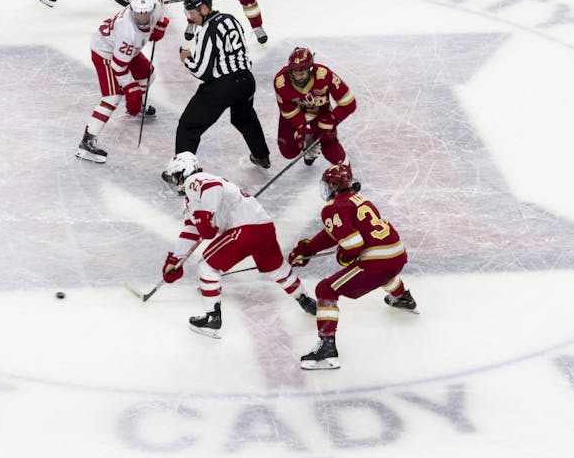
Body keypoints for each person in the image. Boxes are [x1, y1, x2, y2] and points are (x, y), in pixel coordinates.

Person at [161, 152, 317, 338]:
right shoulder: (191, 199)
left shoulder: (195, 179)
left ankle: (212, 318)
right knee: (277, 269)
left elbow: (213, 188)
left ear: (184, 172)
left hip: (244, 229)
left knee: (207, 267)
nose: (174, 183)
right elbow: (191, 230)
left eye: (174, 177)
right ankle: (305, 299)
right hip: (264, 227)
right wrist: (176, 258)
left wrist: (207, 215)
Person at [288, 163, 416, 370]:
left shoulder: (333, 207)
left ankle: (327, 347)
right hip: (397, 255)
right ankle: (404, 298)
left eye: (328, 184)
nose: (326, 189)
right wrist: (309, 248)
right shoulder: (358, 199)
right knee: (382, 274)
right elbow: (336, 232)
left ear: (336, 185)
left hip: (377, 262)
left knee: (325, 289)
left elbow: (352, 245)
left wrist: (344, 256)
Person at [167, 0, 272, 172]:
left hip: (223, 87)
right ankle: (262, 156)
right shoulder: (230, 18)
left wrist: (186, 59)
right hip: (247, 81)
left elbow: (202, 72)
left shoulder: (208, 29)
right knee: (244, 118)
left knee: (188, 127)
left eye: (192, 13)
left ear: (205, 10)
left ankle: (182, 173)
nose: (191, 18)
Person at [76, 0, 168, 163]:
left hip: (125, 52)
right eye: (138, 15)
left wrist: (160, 23)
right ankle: (87, 141)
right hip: (106, 53)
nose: (142, 18)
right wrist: (130, 89)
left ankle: (137, 105)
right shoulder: (127, 33)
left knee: (149, 75)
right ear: (132, 10)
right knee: (113, 97)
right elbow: (118, 66)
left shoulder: (154, 2)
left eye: (146, 14)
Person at [274, 46, 357, 168]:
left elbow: (349, 102)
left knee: (329, 141)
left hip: (320, 113)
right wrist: (302, 129)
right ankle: (310, 142)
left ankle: (345, 176)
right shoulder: (281, 82)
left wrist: (332, 120)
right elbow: (287, 109)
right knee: (288, 151)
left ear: (311, 69)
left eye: (301, 73)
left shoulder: (324, 75)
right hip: (295, 115)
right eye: (295, 73)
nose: (298, 77)